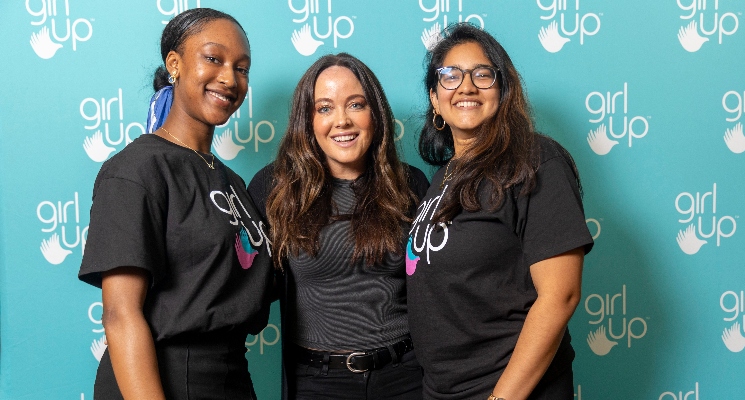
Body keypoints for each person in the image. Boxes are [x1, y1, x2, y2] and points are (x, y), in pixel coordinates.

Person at [78, 8, 272, 399]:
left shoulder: (232, 182)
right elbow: (120, 315)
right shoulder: (137, 168)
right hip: (163, 378)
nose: (229, 78)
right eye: (213, 58)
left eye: (242, 68)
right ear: (174, 64)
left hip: (231, 376)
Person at [406, 23, 594, 400]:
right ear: (435, 99)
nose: (466, 86)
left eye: (482, 74)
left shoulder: (535, 161)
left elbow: (560, 296)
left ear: (503, 90)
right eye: (450, 75)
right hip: (443, 390)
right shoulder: (442, 178)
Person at [247, 53, 429, 400]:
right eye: (325, 108)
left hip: (405, 377)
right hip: (317, 382)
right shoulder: (274, 188)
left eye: (356, 105)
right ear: (307, 120)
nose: (342, 121)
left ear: (375, 113)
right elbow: (243, 286)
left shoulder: (410, 185)